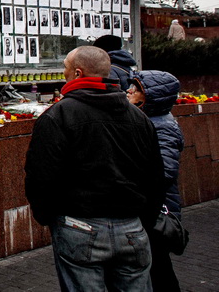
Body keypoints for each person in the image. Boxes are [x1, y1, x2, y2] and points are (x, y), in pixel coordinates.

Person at [25, 46, 165, 292]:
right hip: (131, 228)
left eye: (65, 68)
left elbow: (41, 177)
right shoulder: (138, 117)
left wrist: (49, 218)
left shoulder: (58, 116)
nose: (63, 73)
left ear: (78, 73)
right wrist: (144, 219)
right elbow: (155, 176)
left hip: (79, 226)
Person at [126, 70, 185, 292]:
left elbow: (165, 171)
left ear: (152, 96)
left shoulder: (162, 126)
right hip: (150, 206)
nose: (129, 91)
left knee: (158, 267)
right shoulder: (148, 119)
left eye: (136, 88)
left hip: (157, 209)